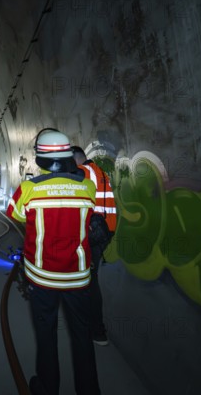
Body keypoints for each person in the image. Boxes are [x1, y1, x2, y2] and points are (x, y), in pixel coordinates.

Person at [6, 129, 101, 395]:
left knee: (46, 334)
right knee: (82, 336)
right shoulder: (87, 187)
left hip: (43, 276)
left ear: (41, 158)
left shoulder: (30, 189)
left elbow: (16, 213)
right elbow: (88, 213)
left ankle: (48, 387)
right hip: (78, 277)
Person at [71, 146, 117, 346]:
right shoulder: (99, 171)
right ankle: (92, 327)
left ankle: (97, 331)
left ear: (75, 160)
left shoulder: (83, 172)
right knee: (89, 278)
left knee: (88, 282)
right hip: (105, 229)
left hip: (93, 231)